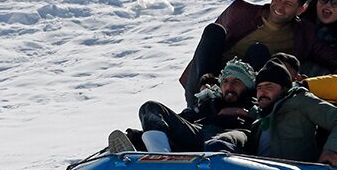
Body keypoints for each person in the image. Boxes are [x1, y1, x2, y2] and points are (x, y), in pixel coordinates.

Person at [178, 0, 337, 107]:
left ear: (301, 9)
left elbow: (335, 60)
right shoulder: (240, 11)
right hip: (210, 82)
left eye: (288, 4)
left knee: (259, 51)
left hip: (247, 96)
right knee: (214, 30)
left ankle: (231, 106)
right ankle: (204, 99)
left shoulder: (304, 33)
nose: (279, 7)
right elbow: (206, 49)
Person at [110, 60, 257, 154]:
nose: (229, 86)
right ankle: (158, 155)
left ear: (247, 85)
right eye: (225, 82)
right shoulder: (209, 103)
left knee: (217, 142)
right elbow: (179, 120)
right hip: (196, 134)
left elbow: (263, 121)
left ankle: (150, 153)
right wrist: (138, 134)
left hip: (227, 138)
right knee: (150, 108)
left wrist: (244, 113)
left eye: (236, 82)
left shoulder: (254, 103)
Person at [245, 61, 337, 167]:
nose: (262, 92)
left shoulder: (300, 101)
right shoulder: (260, 116)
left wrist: (332, 151)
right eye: (259, 88)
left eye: (269, 87)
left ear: (284, 88)